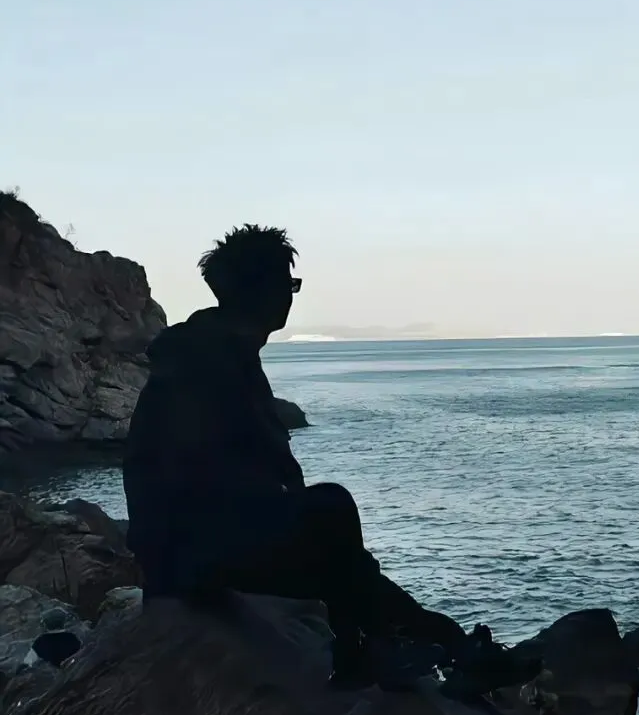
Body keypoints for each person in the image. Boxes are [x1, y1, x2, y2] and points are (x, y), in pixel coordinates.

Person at [123, 224, 476, 688]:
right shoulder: (210, 360)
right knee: (332, 511)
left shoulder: (213, 349)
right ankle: (375, 655)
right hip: (187, 554)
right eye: (288, 284)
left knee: (345, 559)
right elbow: (211, 474)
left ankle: (447, 646)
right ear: (261, 290)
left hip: (187, 544)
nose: (290, 297)